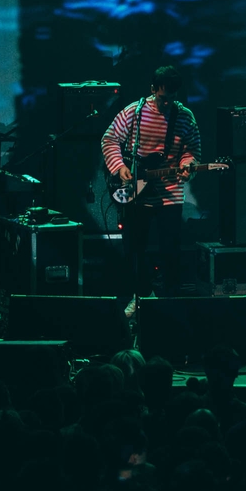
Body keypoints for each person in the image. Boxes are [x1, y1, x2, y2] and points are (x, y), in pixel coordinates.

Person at [101, 65, 202, 314]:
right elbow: (110, 139)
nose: (166, 103)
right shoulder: (133, 113)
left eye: (172, 99)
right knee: (135, 249)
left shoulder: (184, 116)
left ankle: (169, 302)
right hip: (137, 189)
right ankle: (141, 295)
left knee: (171, 248)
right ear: (152, 90)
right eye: (162, 98)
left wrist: (187, 165)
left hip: (169, 191)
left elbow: (192, 150)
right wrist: (119, 167)